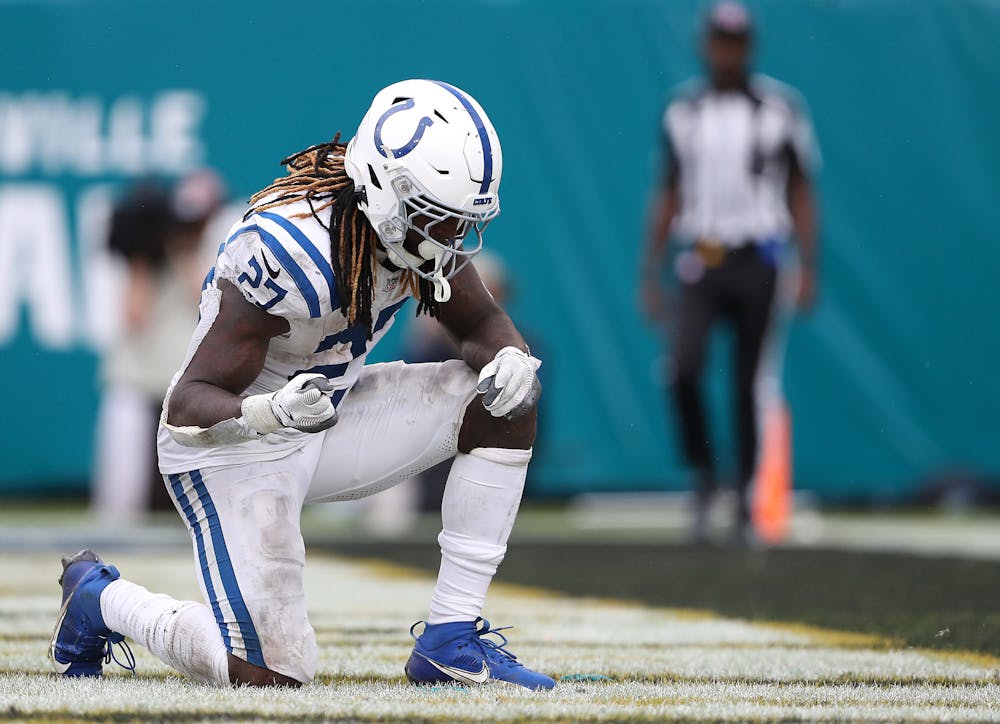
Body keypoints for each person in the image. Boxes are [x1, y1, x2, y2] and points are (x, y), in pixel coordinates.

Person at [50, 79, 554, 691]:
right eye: (435, 219)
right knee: (270, 674)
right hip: (230, 445)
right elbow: (187, 405)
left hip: (327, 419)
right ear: (386, 193)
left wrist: (510, 358)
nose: (449, 239)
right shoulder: (290, 252)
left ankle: (451, 638)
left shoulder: (408, 232)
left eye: (458, 222)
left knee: (502, 398)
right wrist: (270, 413)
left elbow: (478, 322)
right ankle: (103, 602)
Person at [640, 2, 819, 542]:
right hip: (703, 255)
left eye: (735, 42)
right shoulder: (683, 112)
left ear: (749, 47)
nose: (726, 52)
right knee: (683, 368)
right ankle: (703, 475)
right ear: (704, 45)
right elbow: (667, 193)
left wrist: (808, 263)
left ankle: (742, 492)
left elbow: (801, 190)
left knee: (748, 381)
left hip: (759, 257)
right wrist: (650, 269)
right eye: (719, 41)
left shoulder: (781, 109)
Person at [92, 171, 227, 520]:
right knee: (123, 502)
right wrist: (142, 257)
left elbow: (206, 301)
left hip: (184, 395)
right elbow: (134, 318)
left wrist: (182, 253)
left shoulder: (222, 250)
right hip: (138, 386)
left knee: (191, 506)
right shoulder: (144, 261)